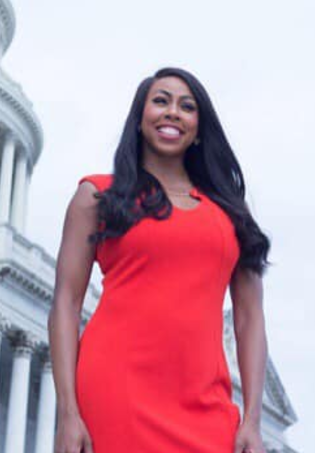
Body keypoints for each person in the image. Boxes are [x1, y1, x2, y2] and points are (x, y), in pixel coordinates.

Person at [48, 67, 272, 453]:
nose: (172, 112)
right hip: (116, 392)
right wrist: (69, 412)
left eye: (187, 106)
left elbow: (249, 318)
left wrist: (252, 419)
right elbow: (66, 303)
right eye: (160, 101)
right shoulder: (98, 196)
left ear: (198, 129)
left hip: (206, 403)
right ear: (139, 119)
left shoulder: (231, 213)